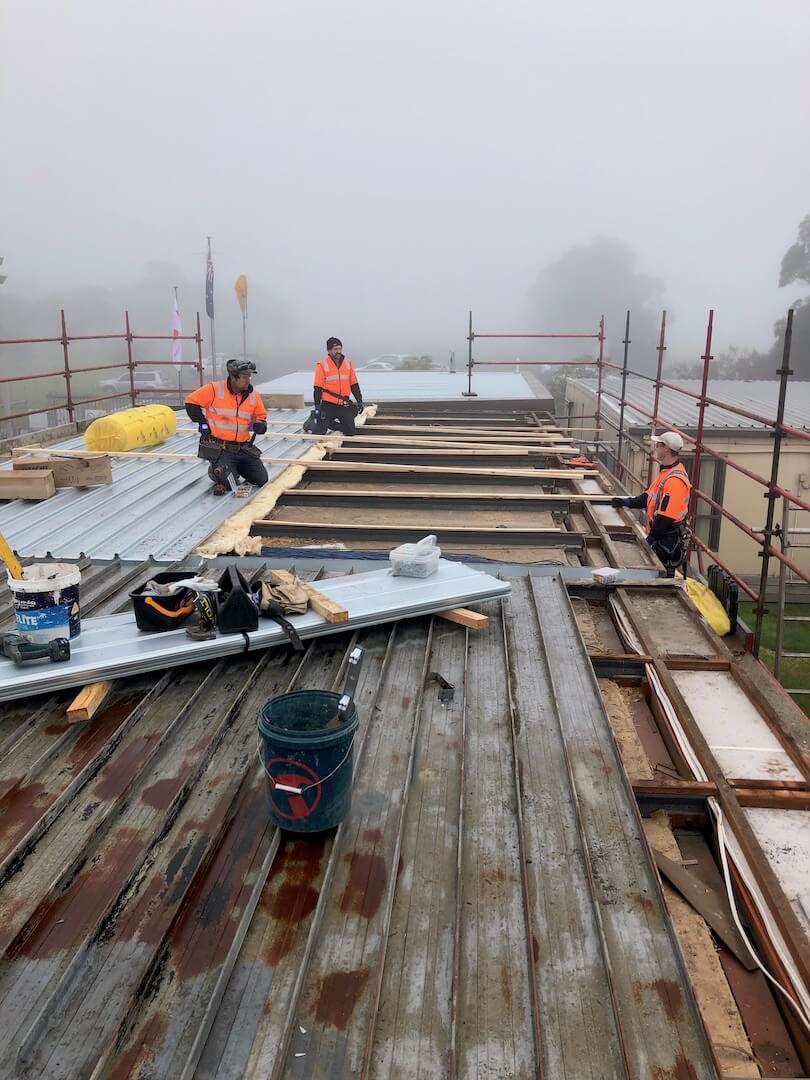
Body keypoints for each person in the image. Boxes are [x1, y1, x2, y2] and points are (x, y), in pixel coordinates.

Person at [611, 431, 692, 577]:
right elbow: (648, 498)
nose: (655, 448)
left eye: (658, 445)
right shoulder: (666, 472)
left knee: (660, 577)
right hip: (660, 536)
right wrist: (627, 502)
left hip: (666, 541)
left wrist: (650, 539)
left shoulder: (675, 481)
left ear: (666, 449)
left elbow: (666, 518)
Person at [185, 358, 269, 495]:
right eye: (245, 377)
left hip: (243, 448)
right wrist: (201, 422)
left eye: (250, 376)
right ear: (234, 378)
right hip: (222, 448)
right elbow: (190, 402)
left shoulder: (254, 395)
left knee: (261, 480)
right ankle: (216, 470)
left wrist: (261, 424)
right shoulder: (214, 389)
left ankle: (236, 468)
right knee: (229, 484)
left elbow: (261, 416)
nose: (248, 380)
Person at [309, 337, 364, 436]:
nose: (338, 351)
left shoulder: (348, 364)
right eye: (335, 349)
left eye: (339, 349)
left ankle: (330, 424)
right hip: (328, 404)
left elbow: (354, 384)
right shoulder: (322, 365)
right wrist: (317, 406)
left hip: (343, 404)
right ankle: (311, 423)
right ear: (329, 351)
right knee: (319, 432)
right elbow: (317, 388)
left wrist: (359, 400)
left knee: (350, 431)